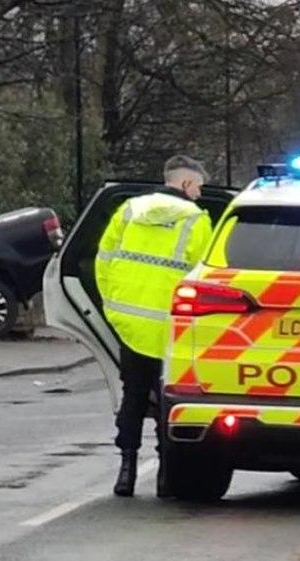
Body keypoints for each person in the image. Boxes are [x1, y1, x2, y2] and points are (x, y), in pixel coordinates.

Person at [95, 155, 214, 497]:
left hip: (130, 322)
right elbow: (203, 275)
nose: (200, 194)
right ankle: (165, 473)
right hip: (173, 329)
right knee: (168, 401)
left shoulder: (129, 210)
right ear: (187, 184)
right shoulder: (197, 220)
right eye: (199, 187)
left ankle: (126, 470)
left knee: (133, 395)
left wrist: (114, 307)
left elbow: (104, 261)